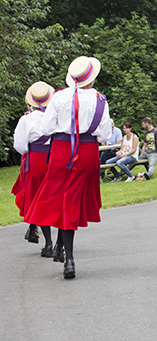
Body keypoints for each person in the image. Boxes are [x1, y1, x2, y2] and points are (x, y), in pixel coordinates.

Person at [25, 56, 112, 279]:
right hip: (87, 152)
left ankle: (63, 252)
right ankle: (65, 253)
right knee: (72, 200)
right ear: (92, 79)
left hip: (61, 150)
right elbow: (104, 135)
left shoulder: (59, 97)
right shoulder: (100, 100)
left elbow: (46, 128)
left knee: (61, 198)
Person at [13, 81, 56, 257]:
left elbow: (20, 146)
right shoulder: (54, 117)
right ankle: (57, 242)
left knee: (38, 199)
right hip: (54, 158)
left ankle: (48, 243)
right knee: (54, 197)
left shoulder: (26, 119)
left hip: (37, 160)